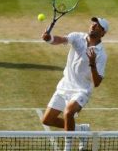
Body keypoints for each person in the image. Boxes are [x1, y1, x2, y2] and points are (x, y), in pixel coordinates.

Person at [41, 17, 109, 151]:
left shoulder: (101, 54)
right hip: (64, 86)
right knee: (47, 120)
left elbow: (97, 83)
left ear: (103, 33)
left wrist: (92, 63)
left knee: (68, 113)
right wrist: (49, 39)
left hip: (81, 91)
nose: (93, 26)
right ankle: (81, 130)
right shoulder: (77, 37)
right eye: (93, 23)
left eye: (98, 26)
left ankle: (68, 148)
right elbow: (60, 40)